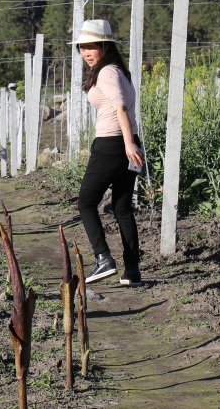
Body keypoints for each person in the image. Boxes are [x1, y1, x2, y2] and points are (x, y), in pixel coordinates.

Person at [70, 19, 145, 286]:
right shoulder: (119, 71)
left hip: (113, 145)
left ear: (105, 46)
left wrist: (127, 145)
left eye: (92, 47)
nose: (86, 53)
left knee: (86, 202)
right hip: (126, 142)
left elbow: (120, 108)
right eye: (82, 48)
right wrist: (132, 142)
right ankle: (132, 270)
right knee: (122, 207)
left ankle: (103, 258)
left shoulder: (107, 73)